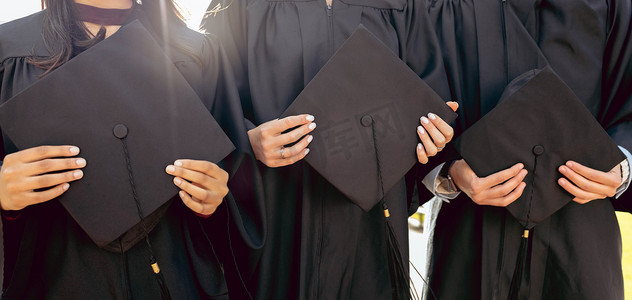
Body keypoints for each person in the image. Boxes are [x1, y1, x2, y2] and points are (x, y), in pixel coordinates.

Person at [0, 0, 262, 298]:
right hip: (54, 280)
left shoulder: (197, 52)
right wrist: (3, 194)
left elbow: (238, 182)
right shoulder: (8, 50)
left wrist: (214, 201)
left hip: (178, 280)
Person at [202, 0, 456, 298]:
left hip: (371, 227)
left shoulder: (402, 6)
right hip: (278, 220)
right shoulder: (239, 5)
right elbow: (205, 101)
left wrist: (432, 136)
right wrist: (248, 141)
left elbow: (427, 98)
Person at [421, 0, 632, 299]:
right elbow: (415, 90)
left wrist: (623, 166)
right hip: (470, 227)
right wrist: (449, 171)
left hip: (579, 229)